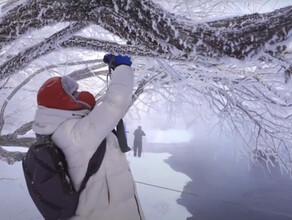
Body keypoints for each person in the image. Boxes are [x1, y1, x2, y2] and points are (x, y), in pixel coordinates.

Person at [32, 54, 145, 220]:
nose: (79, 95)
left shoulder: (59, 132)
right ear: (61, 102)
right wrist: (122, 68)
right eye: (74, 94)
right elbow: (115, 103)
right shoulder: (74, 134)